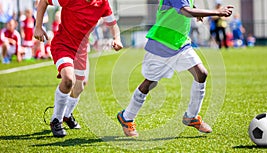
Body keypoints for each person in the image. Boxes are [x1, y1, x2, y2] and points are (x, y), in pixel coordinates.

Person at [116, 0, 233, 137]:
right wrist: (217, 12)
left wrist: (195, 9)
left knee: (201, 74)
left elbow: (187, 5)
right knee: (150, 82)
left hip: (180, 43)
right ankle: (127, 117)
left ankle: (191, 116)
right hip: (161, 43)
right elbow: (185, 10)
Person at [34, 0, 123, 137]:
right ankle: (56, 120)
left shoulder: (102, 3)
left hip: (81, 50)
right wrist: (38, 27)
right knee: (69, 80)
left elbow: (112, 24)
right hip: (63, 45)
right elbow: (43, 2)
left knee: (80, 87)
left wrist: (117, 38)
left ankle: (67, 115)